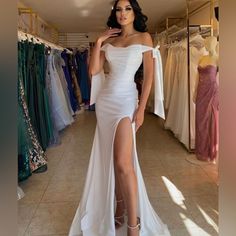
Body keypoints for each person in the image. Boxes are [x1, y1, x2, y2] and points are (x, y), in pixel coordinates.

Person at [69, 1, 170, 235]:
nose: (122, 13)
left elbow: (149, 78)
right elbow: (94, 71)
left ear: (135, 13)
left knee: (124, 163)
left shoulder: (145, 38)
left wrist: (142, 109)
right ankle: (119, 209)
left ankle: (133, 224)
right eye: (118, 9)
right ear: (114, 13)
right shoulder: (110, 41)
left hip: (126, 102)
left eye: (127, 9)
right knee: (112, 161)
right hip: (106, 103)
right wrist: (100, 42)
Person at [193, 36, 219, 162]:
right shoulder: (202, 58)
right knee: (200, 121)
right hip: (200, 92)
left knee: (211, 121)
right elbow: (198, 77)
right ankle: (201, 151)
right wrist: (194, 92)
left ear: (215, 44)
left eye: (210, 43)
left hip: (212, 92)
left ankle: (211, 152)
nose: (207, 45)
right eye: (206, 43)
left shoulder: (218, 58)